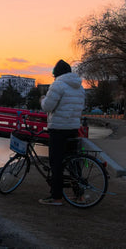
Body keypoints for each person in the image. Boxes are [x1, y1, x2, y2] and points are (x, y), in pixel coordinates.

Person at [39, 59, 85, 206]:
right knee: (73, 162)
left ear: (56, 73)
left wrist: (42, 99)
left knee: (56, 162)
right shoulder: (80, 87)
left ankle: (56, 197)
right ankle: (80, 195)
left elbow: (47, 107)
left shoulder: (58, 84)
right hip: (73, 127)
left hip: (58, 129)